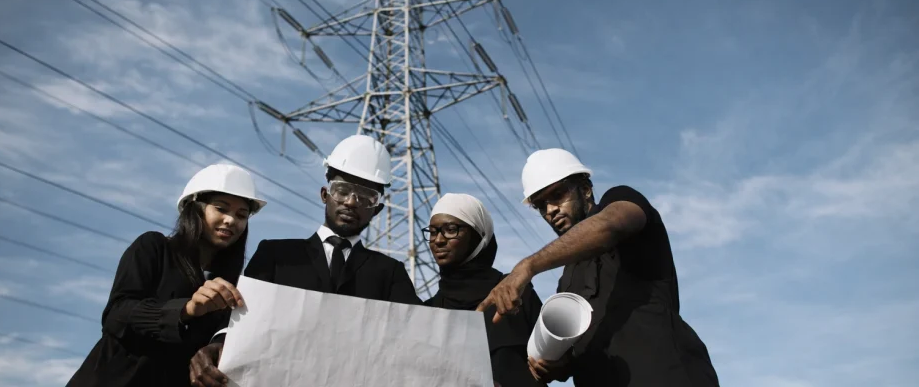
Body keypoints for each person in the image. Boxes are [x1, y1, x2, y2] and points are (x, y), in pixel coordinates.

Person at [189, 135, 422, 387]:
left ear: (377, 209)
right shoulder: (276, 255)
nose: (351, 202)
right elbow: (242, 314)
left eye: (366, 198)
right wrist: (219, 344)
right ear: (325, 194)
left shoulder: (390, 273)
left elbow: (419, 332)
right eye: (342, 190)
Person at [476, 148, 720, 387]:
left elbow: (612, 224)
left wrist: (526, 267)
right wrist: (562, 365)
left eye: (558, 195)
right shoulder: (567, 279)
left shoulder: (619, 201)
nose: (550, 210)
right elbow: (582, 347)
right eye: (541, 205)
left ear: (585, 189)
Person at [66, 163, 267, 387]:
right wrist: (186, 309)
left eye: (242, 215)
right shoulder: (154, 247)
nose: (231, 220)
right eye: (221, 209)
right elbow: (117, 315)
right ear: (195, 208)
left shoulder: (233, 288)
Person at [423, 193, 544, 387]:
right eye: (432, 231)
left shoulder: (515, 293)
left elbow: (558, 365)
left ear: (479, 236)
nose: (438, 240)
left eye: (451, 230)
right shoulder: (428, 312)